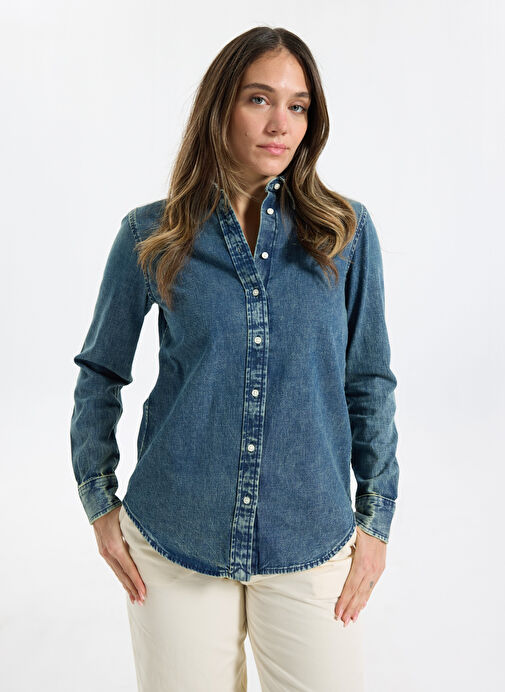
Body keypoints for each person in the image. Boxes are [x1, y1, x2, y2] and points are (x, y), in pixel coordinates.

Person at [70, 25, 399, 692]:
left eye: (298, 105)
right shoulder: (151, 234)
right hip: (175, 538)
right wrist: (98, 501)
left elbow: (368, 381)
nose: (280, 123)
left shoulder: (345, 233)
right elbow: (100, 374)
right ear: (220, 106)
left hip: (310, 537)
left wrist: (376, 521)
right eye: (259, 99)